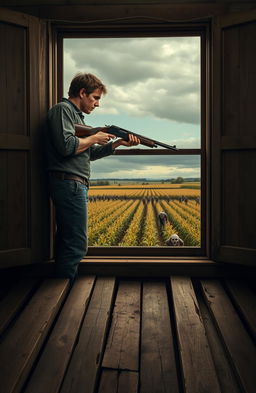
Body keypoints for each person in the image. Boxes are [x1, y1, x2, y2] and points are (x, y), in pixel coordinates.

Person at [45, 72, 140, 281]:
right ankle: (63, 292)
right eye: (95, 98)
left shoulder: (76, 116)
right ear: (82, 92)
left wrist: (116, 144)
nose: (97, 104)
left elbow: (87, 153)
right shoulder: (63, 110)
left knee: (68, 241)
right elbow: (67, 147)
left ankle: (60, 289)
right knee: (77, 244)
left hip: (72, 183)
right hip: (69, 183)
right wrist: (95, 137)